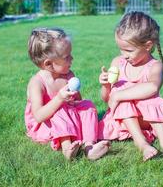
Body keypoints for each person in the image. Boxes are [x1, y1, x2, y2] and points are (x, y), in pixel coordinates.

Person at [98, 11, 163, 163]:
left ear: (148, 46)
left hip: (149, 119)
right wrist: (106, 86)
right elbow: (107, 100)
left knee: (147, 96)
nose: (124, 55)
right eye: (120, 49)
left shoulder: (155, 66)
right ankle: (141, 143)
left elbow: (153, 88)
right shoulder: (118, 62)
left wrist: (119, 95)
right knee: (120, 90)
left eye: (129, 50)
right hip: (126, 121)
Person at [25, 27, 110, 160]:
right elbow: (39, 117)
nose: (72, 58)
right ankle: (67, 148)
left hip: (67, 118)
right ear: (48, 64)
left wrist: (74, 99)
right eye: (66, 57)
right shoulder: (37, 83)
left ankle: (89, 147)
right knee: (60, 109)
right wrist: (59, 98)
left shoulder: (68, 75)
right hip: (46, 125)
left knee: (87, 104)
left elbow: (78, 102)